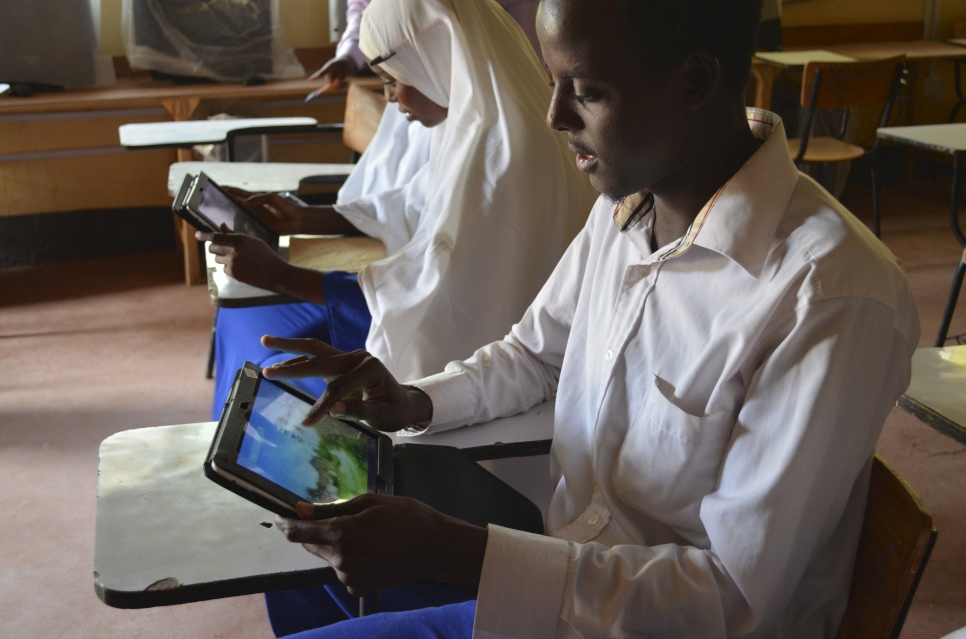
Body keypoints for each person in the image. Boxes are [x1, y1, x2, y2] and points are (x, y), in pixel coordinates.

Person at [255, 0, 921, 636]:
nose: (554, 115)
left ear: (694, 80)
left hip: (660, 626)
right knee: (296, 566)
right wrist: (412, 400)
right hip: (573, 578)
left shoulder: (828, 294)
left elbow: (732, 599)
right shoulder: (626, 209)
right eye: (552, 82)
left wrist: (458, 553)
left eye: (587, 90)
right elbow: (533, 353)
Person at [198, 0, 597, 416]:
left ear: (434, 59)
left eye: (391, 80)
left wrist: (282, 276)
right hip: (483, 350)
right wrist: (303, 216)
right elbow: (414, 203)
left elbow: (440, 303)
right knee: (247, 325)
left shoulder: (503, 158)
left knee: (268, 364)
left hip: (485, 373)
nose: (391, 99)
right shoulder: (477, 124)